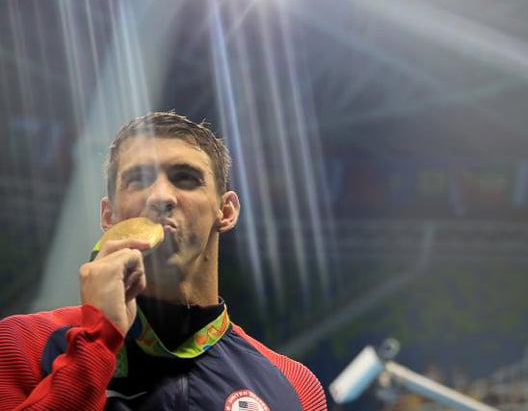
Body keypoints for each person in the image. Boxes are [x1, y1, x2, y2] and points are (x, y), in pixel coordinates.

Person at [0, 111, 328, 410]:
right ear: (108, 215)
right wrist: (98, 340)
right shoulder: (23, 343)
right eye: (138, 180)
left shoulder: (295, 386)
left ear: (225, 212)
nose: (160, 197)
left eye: (186, 178)